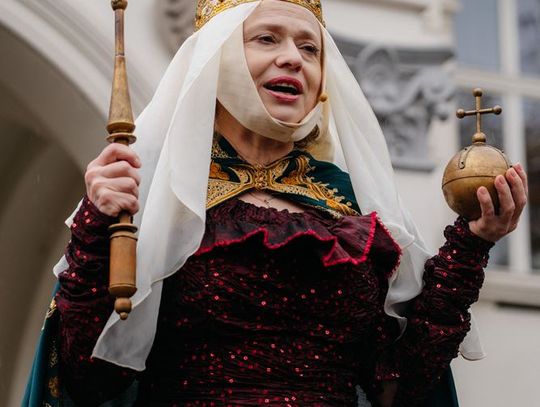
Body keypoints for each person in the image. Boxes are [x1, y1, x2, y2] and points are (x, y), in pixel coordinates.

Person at [23, 0, 528, 406]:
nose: (293, 58)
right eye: (266, 39)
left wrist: (473, 245)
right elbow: (89, 379)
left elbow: (402, 387)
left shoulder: (350, 211)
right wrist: (97, 223)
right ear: (215, 59)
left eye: (310, 48)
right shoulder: (155, 198)